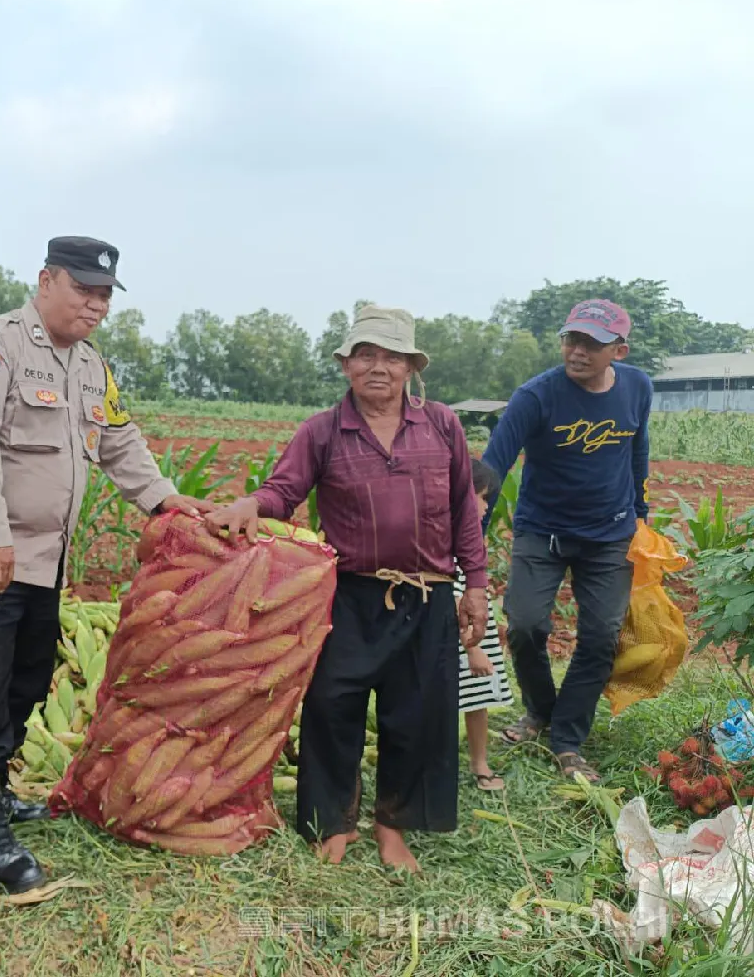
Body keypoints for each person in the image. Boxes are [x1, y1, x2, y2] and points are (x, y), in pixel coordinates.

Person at [0, 236, 212, 893]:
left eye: (105, 294)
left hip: (43, 559)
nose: (96, 304)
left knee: (26, 680)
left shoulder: (89, 366)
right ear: (46, 280)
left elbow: (118, 440)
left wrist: (163, 498)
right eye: (84, 289)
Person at [206, 305, 489, 874]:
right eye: (365, 355)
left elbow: (464, 507)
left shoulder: (440, 425)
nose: (378, 367)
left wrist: (476, 583)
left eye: (391, 357)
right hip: (349, 594)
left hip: (428, 593)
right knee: (333, 706)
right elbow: (283, 491)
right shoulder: (322, 431)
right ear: (345, 366)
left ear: (410, 367)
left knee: (416, 714)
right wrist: (250, 504)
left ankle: (393, 826)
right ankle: (333, 822)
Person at [482, 298, 651, 784]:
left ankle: (568, 737)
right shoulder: (535, 397)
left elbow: (638, 449)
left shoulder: (638, 386)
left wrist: (640, 516)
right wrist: (471, 535)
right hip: (543, 531)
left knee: (600, 638)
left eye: (591, 344)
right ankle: (540, 710)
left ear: (618, 350)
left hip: (610, 535)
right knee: (525, 626)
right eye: (571, 339)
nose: (578, 351)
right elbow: (494, 466)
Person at [455, 458, 514, 792]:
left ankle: (479, 762)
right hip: (460, 637)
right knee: (450, 699)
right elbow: (453, 597)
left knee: (478, 701)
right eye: (483, 498)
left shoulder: (469, 540)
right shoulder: (441, 542)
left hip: (474, 631)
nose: (486, 507)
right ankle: (441, 763)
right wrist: (472, 648)